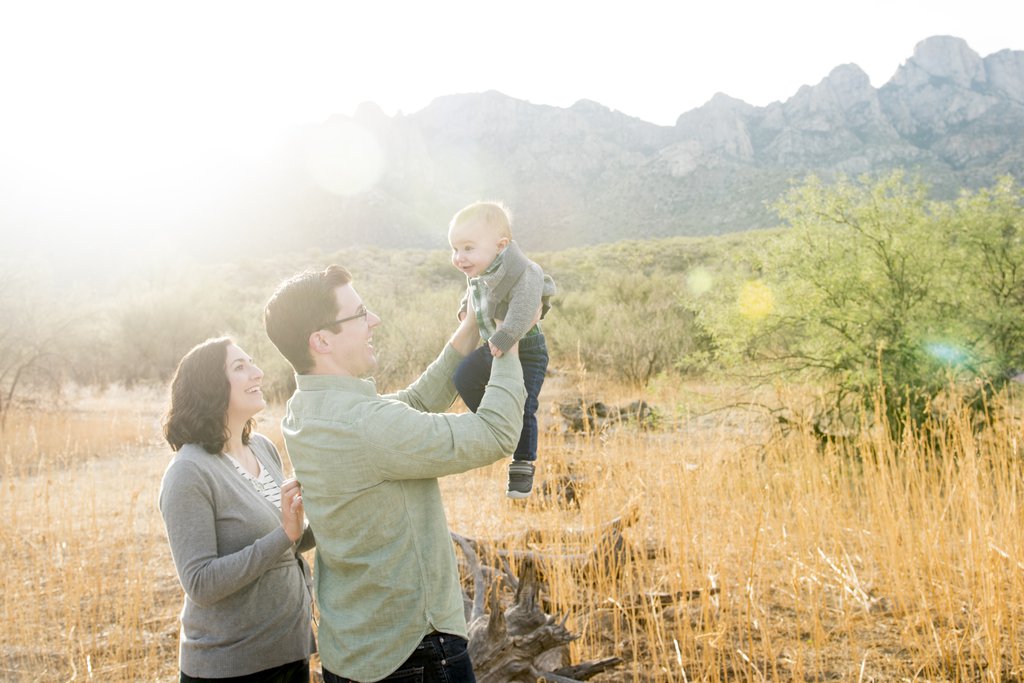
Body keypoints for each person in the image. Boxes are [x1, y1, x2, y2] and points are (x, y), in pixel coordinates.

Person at [263, 264, 528, 683]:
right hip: (413, 655)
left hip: (350, 652)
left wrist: (470, 330)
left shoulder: (303, 410)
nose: (374, 321)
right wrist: (508, 342)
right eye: (359, 313)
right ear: (322, 340)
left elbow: (413, 404)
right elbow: (495, 434)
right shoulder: (365, 425)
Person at [158, 336, 316, 683]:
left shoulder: (261, 448)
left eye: (252, 363)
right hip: (234, 666)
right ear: (209, 386)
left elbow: (288, 545)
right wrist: (284, 535)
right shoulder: (189, 471)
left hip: (290, 652)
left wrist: (324, 510)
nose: (257, 373)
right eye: (239, 367)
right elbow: (200, 582)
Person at [448, 200, 556, 498]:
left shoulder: (524, 271)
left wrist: (506, 335)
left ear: (501, 245)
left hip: (527, 348)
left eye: (468, 248)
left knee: (524, 404)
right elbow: (473, 291)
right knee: (463, 378)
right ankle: (494, 421)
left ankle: (522, 463)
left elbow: (525, 306)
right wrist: (464, 311)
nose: (459, 257)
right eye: (455, 249)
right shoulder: (481, 272)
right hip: (493, 346)